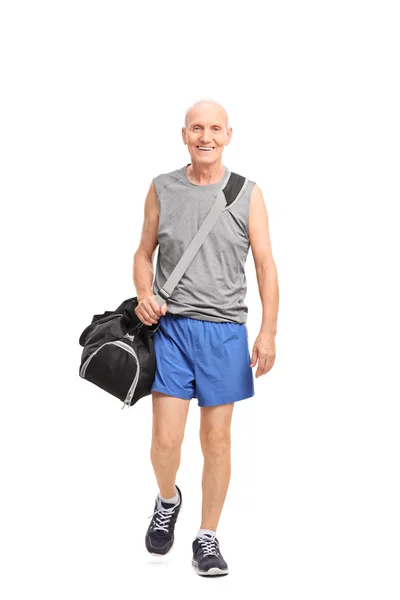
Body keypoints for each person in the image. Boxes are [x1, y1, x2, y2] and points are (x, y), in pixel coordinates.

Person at [132, 98, 279, 577]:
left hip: (225, 334)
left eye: (215, 128)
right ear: (184, 135)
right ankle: (168, 499)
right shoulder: (162, 188)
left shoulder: (248, 193)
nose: (206, 137)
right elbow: (142, 253)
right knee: (164, 442)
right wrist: (143, 292)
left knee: (217, 442)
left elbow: (264, 265)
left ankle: (207, 536)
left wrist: (268, 330)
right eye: (197, 128)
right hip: (171, 331)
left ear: (229, 135)